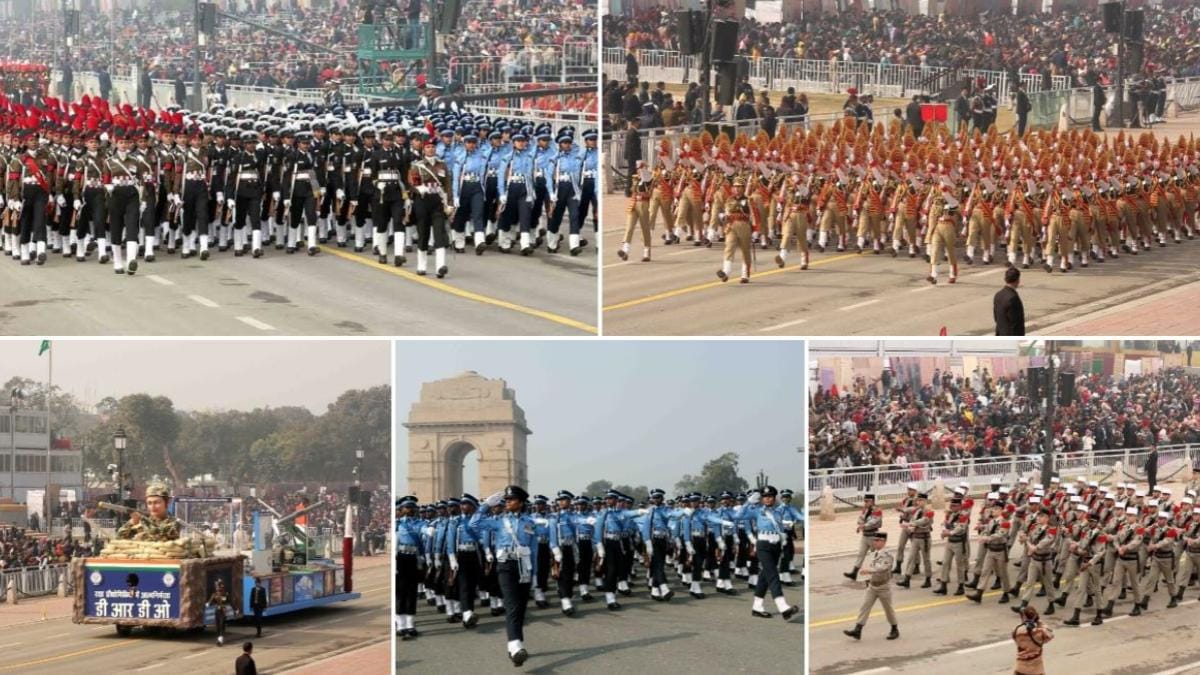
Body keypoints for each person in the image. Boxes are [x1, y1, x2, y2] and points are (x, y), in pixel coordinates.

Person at [465, 485, 539, 666]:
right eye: (506, 500)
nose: (507, 502)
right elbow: (473, 525)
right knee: (512, 604)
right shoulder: (498, 521)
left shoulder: (530, 522)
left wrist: (534, 573)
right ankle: (515, 645)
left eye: (511, 499)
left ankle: (514, 647)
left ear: (521, 502)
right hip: (505, 565)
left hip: (524, 566)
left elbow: (534, 549)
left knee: (521, 606)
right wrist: (485, 505)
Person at [843, 532, 899, 640]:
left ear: (883, 542)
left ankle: (894, 629)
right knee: (865, 607)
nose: (875, 542)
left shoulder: (888, 556)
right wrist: (868, 579)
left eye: (877, 540)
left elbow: (882, 568)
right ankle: (858, 630)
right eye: (874, 540)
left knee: (888, 610)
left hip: (883, 587)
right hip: (872, 586)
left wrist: (869, 571)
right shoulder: (874, 553)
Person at [115, 482, 182, 541]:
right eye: (149, 503)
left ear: (167, 502)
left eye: (157, 502)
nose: (153, 507)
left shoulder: (174, 523)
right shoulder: (141, 521)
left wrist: (142, 520)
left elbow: (158, 536)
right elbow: (118, 538)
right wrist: (130, 523)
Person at [1012, 605, 1053, 675]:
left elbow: (1015, 639)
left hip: (1021, 668)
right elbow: (1050, 635)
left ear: (1023, 617)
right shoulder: (1040, 632)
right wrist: (1040, 623)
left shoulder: (1017, 631)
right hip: (1037, 670)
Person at [994, 267, 1026, 336]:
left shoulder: (998, 294)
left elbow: (996, 317)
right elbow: (1016, 323)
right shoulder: (1013, 298)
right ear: (1017, 280)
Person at [208, 578, 231, 646]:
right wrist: (208, 603)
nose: (218, 588)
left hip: (223, 612)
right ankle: (219, 639)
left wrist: (235, 609)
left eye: (220, 586)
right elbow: (210, 602)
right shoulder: (214, 594)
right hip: (217, 612)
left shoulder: (225, 594)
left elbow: (230, 602)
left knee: (221, 626)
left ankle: (220, 640)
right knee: (218, 627)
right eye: (217, 587)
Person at [623, 118, 641, 198]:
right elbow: (632, 147)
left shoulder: (631, 131)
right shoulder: (633, 132)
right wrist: (636, 157)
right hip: (633, 156)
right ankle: (629, 191)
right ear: (635, 123)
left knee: (633, 173)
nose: (639, 124)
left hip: (632, 156)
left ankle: (633, 190)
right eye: (638, 123)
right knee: (632, 174)